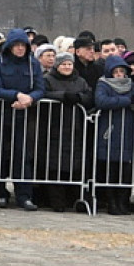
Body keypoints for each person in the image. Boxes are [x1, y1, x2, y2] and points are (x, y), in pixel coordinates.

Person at [0, 28, 45, 210]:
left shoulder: (33, 64)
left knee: (23, 156)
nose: (20, 49)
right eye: (17, 45)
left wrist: (30, 99)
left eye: (23, 45)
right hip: (2, 115)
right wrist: (16, 95)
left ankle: (24, 195)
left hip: (25, 116)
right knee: (0, 155)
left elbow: (40, 87)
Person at [40, 52, 93, 212]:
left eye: (69, 64)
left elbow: (89, 96)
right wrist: (63, 96)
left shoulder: (80, 81)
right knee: (55, 164)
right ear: (57, 65)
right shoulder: (48, 79)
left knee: (76, 164)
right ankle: (56, 201)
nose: (67, 67)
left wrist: (79, 98)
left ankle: (75, 199)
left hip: (76, 127)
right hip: (54, 127)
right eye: (64, 64)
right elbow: (43, 93)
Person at [94, 55, 134, 215]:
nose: (120, 75)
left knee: (127, 170)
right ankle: (112, 203)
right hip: (110, 130)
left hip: (129, 130)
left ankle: (123, 202)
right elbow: (101, 101)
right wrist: (125, 101)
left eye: (122, 71)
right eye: (116, 72)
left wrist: (124, 100)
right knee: (111, 169)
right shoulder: (103, 84)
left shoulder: (132, 84)